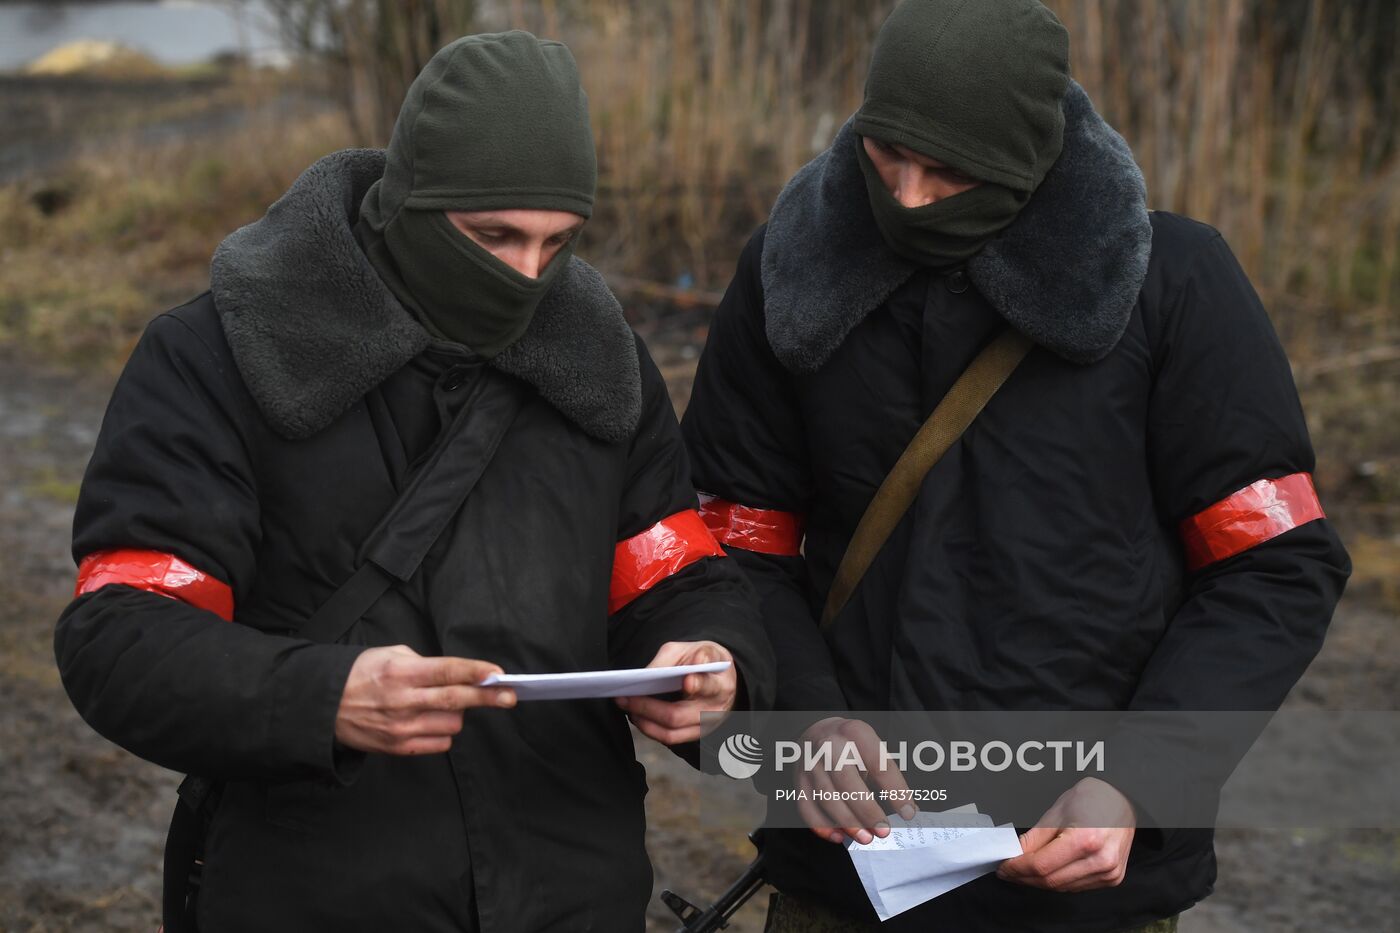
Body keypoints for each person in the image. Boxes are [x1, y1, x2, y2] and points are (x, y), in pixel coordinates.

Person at [54, 31, 774, 933]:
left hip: (574, 894)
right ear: (410, 206)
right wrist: (323, 694)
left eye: (557, 243)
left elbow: (678, 577)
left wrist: (711, 658)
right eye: (493, 237)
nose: (525, 275)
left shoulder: (602, 363)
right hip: (311, 896)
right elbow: (121, 635)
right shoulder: (217, 355)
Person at [680, 1, 1350, 931]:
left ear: (1031, 157)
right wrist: (805, 724)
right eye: (886, 156)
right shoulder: (786, 278)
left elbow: (1274, 565)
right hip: (843, 880)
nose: (909, 196)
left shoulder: (1177, 285)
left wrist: (1137, 783)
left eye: (949, 171)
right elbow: (730, 545)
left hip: (1087, 891)